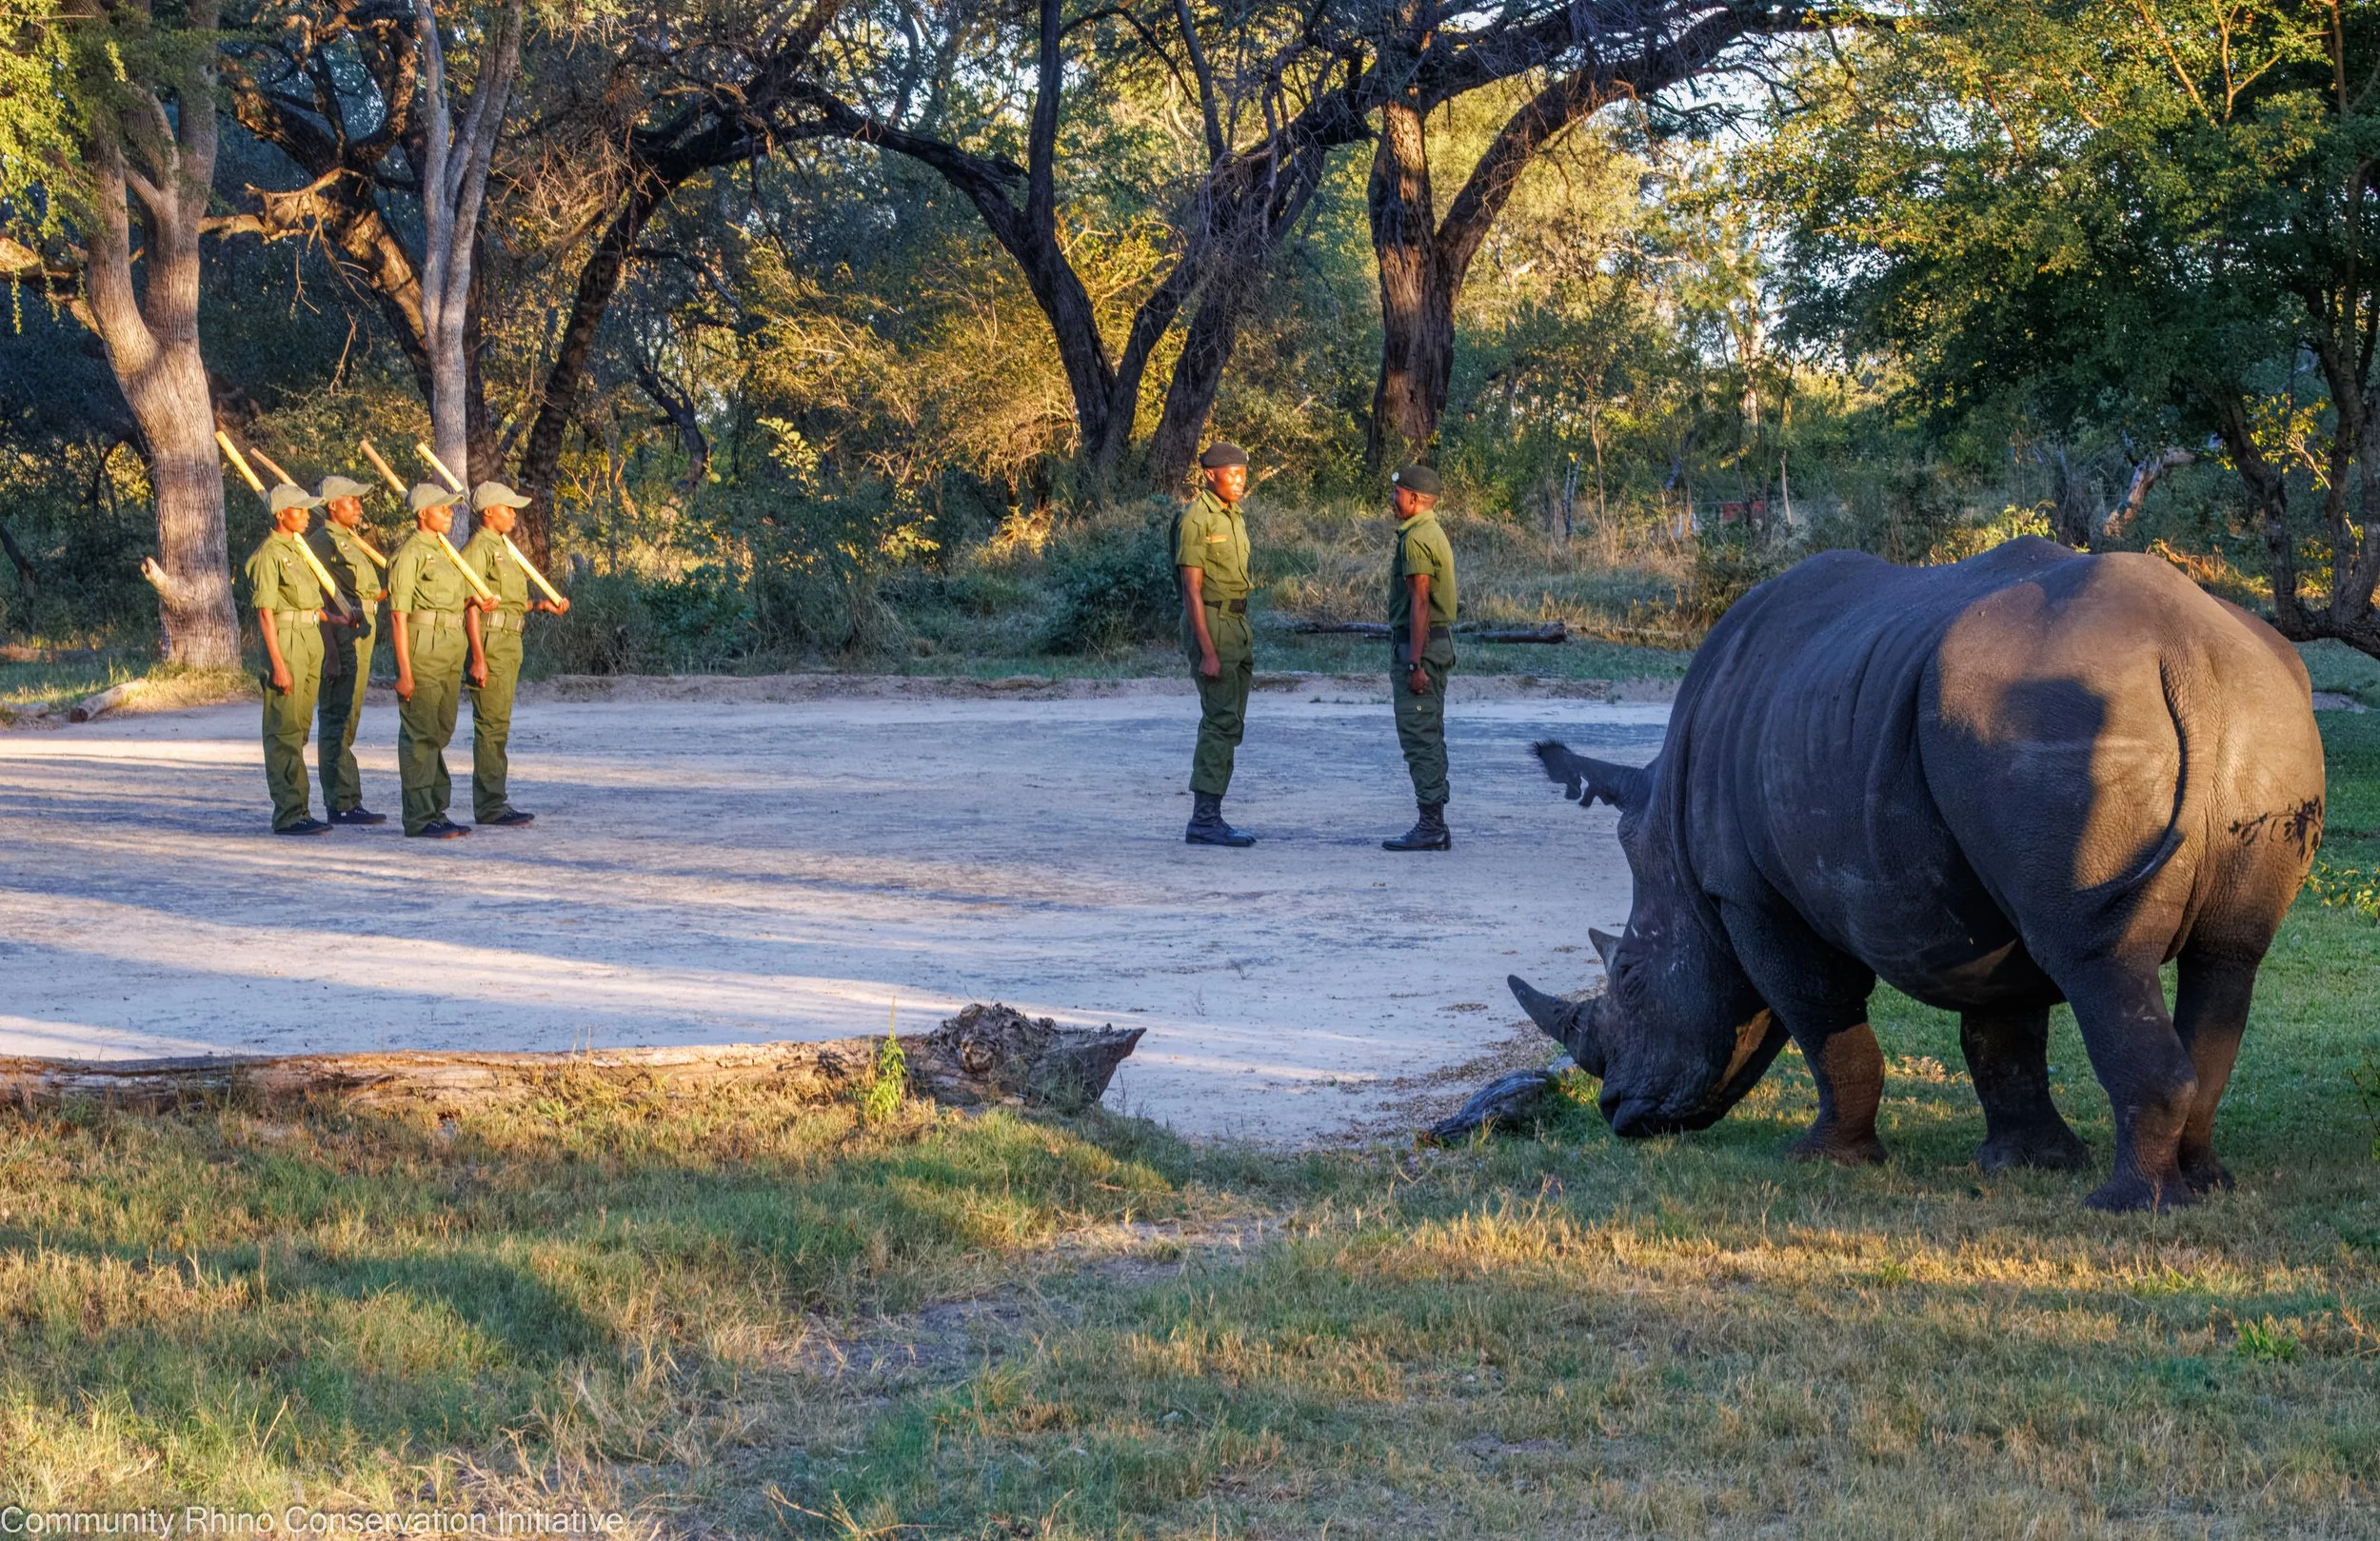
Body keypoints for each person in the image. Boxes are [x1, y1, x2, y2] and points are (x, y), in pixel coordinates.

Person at [459, 481, 568, 827]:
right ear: (489, 512)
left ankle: (495, 798)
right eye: (508, 508)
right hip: (490, 642)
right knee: (490, 726)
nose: (514, 515)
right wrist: (477, 656)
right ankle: (491, 805)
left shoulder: (504, 547)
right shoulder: (479, 548)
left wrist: (541, 605)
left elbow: (510, 602)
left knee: (499, 725)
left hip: (510, 639)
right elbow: (470, 607)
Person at [387, 482, 486, 839]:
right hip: (423, 646)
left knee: (440, 731)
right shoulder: (410, 554)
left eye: (450, 508)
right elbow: (398, 615)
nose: (449, 513)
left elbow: (452, 601)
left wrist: (476, 603)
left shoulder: (446, 551)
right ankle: (418, 817)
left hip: (450, 644)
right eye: (442, 508)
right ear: (422, 513)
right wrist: (404, 673)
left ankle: (437, 810)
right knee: (420, 734)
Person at [245, 483, 342, 836]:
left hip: (309, 638)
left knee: (299, 729)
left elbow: (308, 604)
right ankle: (289, 813)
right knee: (283, 731)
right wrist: (279, 666)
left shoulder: (299, 550)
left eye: (306, 509)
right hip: (285, 642)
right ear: (280, 514)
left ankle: (300, 806)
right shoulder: (270, 554)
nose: (305, 515)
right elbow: (267, 614)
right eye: (299, 510)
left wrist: (338, 618)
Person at [1176, 441, 1258, 846]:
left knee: (1230, 723)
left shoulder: (1233, 516)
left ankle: (1212, 815)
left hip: (1236, 624)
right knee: (1219, 722)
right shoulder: (1197, 519)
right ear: (1211, 475)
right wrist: (1207, 650)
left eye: (1243, 473)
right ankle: (1204, 819)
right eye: (1232, 474)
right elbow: (1191, 590)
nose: (1240, 480)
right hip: (1212, 623)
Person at [1381, 463, 1458, 852]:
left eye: (1397, 494)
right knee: (1430, 733)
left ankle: (1430, 826)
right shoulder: (1431, 531)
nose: (1393, 500)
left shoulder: (1416, 539)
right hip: (1435, 645)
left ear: (1414, 498)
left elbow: (1420, 602)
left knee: (1420, 736)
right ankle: (1436, 824)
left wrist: (1414, 663)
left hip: (1422, 647)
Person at [309, 474, 389, 825]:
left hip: (362, 628)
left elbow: (369, 593)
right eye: (351, 500)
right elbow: (321, 600)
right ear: (332, 506)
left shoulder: (352, 541)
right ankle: (341, 802)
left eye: (359, 499)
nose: (358, 505)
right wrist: (329, 651)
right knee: (336, 717)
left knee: (350, 717)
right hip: (341, 634)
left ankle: (348, 797)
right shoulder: (323, 542)